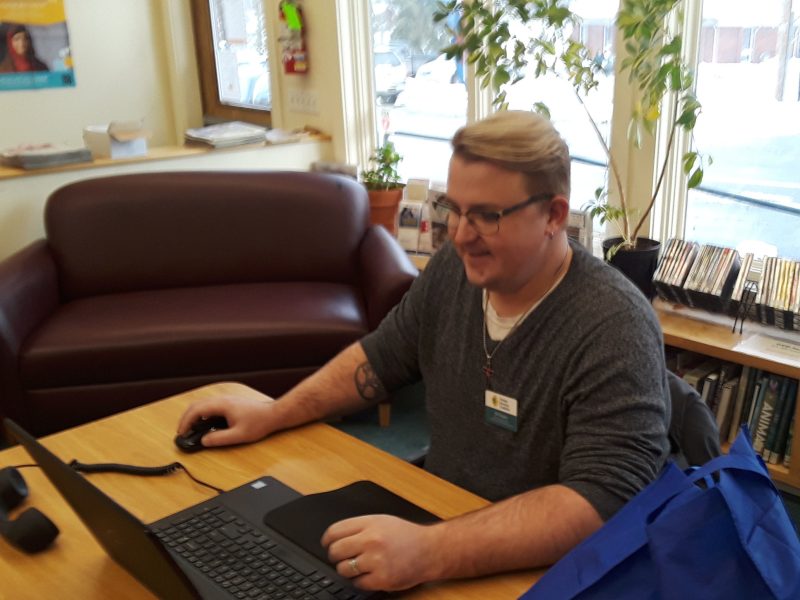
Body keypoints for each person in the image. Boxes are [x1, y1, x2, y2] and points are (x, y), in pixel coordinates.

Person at [178, 110, 670, 592]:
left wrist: (429, 550)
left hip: (540, 575)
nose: (460, 235)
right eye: (453, 208)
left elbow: (600, 502)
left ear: (554, 216)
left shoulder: (614, 325)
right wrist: (274, 412)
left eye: (487, 216)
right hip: (438, 519)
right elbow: (380, 358)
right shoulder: (455, 271)